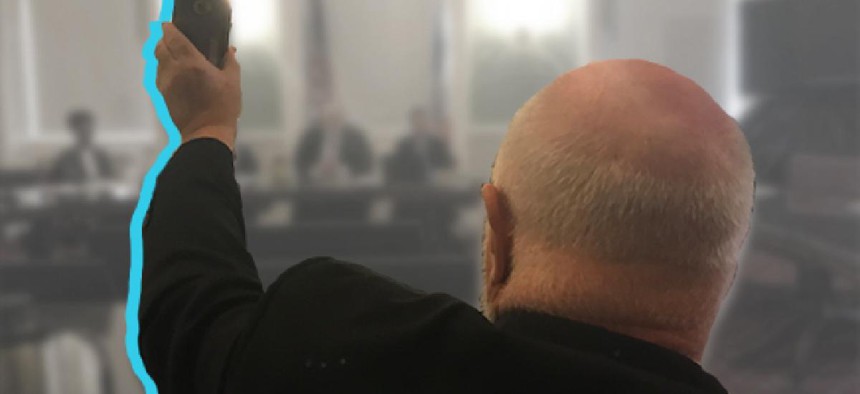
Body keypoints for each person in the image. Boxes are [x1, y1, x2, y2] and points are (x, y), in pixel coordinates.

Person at [142, 24, 754, 393]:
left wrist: (207, 127)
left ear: (498, 235)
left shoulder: (336, 349)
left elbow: (193, 318)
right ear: (724, 275)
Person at [294, 102, 373, 185]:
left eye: (336, 118)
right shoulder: (310, 136)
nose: (332, 122)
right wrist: (315, 171)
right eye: (329, 118)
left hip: (349, 187)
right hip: (315, 187)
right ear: (322, 119)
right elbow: (299, 163)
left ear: (343, 118)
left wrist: (345, 172)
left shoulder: (356, 137)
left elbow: (366, 164)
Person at [385, 107, 454, 184]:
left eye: (421, 121)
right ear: (412, 123)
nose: (419, 125)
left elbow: (448, 164)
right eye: (416, 122)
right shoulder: (403, 143)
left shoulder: (437, 143)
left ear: (426, 122)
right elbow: (397, 167)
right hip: (410, 184)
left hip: (435, 184)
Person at [48, 110, 114, 182]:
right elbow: (55, 184)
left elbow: (112, 179)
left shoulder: (102, 155)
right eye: (83, 130)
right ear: (74, 131)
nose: (87, 134)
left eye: (90, 129)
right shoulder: (64, 159)